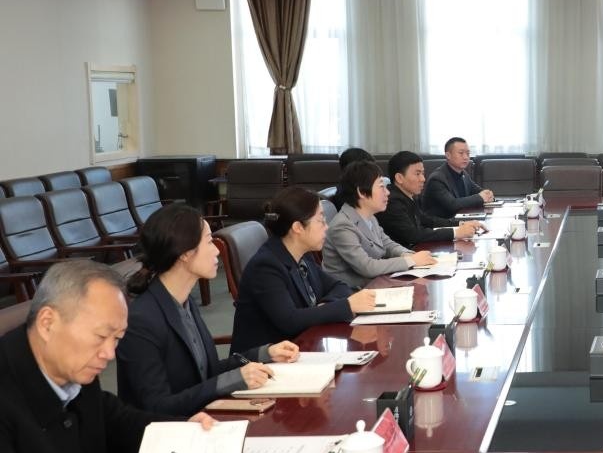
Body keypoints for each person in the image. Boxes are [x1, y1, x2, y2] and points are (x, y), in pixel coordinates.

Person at [0, 260, 216, 453]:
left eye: (117, 339)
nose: (109, 354)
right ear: (47, 323)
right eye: (101, 336)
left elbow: (114, 420)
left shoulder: (72, 364)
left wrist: (181, 430)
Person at [116, 204, 299, 417]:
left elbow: (205, 372)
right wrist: (233, 379)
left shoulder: (185, 302)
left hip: (200, 420)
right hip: (168, 431)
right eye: (210, 241)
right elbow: (157, 407)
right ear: (185, 253)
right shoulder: (141, 320)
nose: (217, 251)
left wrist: (265, 353)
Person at [231, 187, 376, 351]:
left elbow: (339, 286)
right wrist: (347, 306)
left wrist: (324, 307)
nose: (326, 227)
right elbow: (290, 321)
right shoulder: (266, 267)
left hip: (302, 345)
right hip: (266, 360)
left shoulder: (303, 255)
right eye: (321, 220)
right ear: (298, 227)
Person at [322, 161, 434, 288]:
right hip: (353, 293)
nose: (388, 192)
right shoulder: (342, 226)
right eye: (381, 187)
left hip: (375, 285)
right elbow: (367, 267)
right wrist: (410, 261)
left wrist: (408, 254)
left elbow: (387, 244)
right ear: (362, 192)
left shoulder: (369, 217)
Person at [377, 151, 484, 246]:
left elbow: (427, 221)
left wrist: (461, 224)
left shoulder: (408, 195)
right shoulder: (392, 201)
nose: (423, 179)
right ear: (399, 178)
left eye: (422, 173)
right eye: (417, 174)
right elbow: (413, 235)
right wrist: (456, 232)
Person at [422, 137, 495, 218]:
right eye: (461, 153)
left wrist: (488, 194)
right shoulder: (437, 179)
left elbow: (477, 191)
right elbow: (452, 205)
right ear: (448, 155)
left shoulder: (464, 174)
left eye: (468, 153)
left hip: (460, 220)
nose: (466, 157)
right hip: (442, 223)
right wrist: (481, 197)